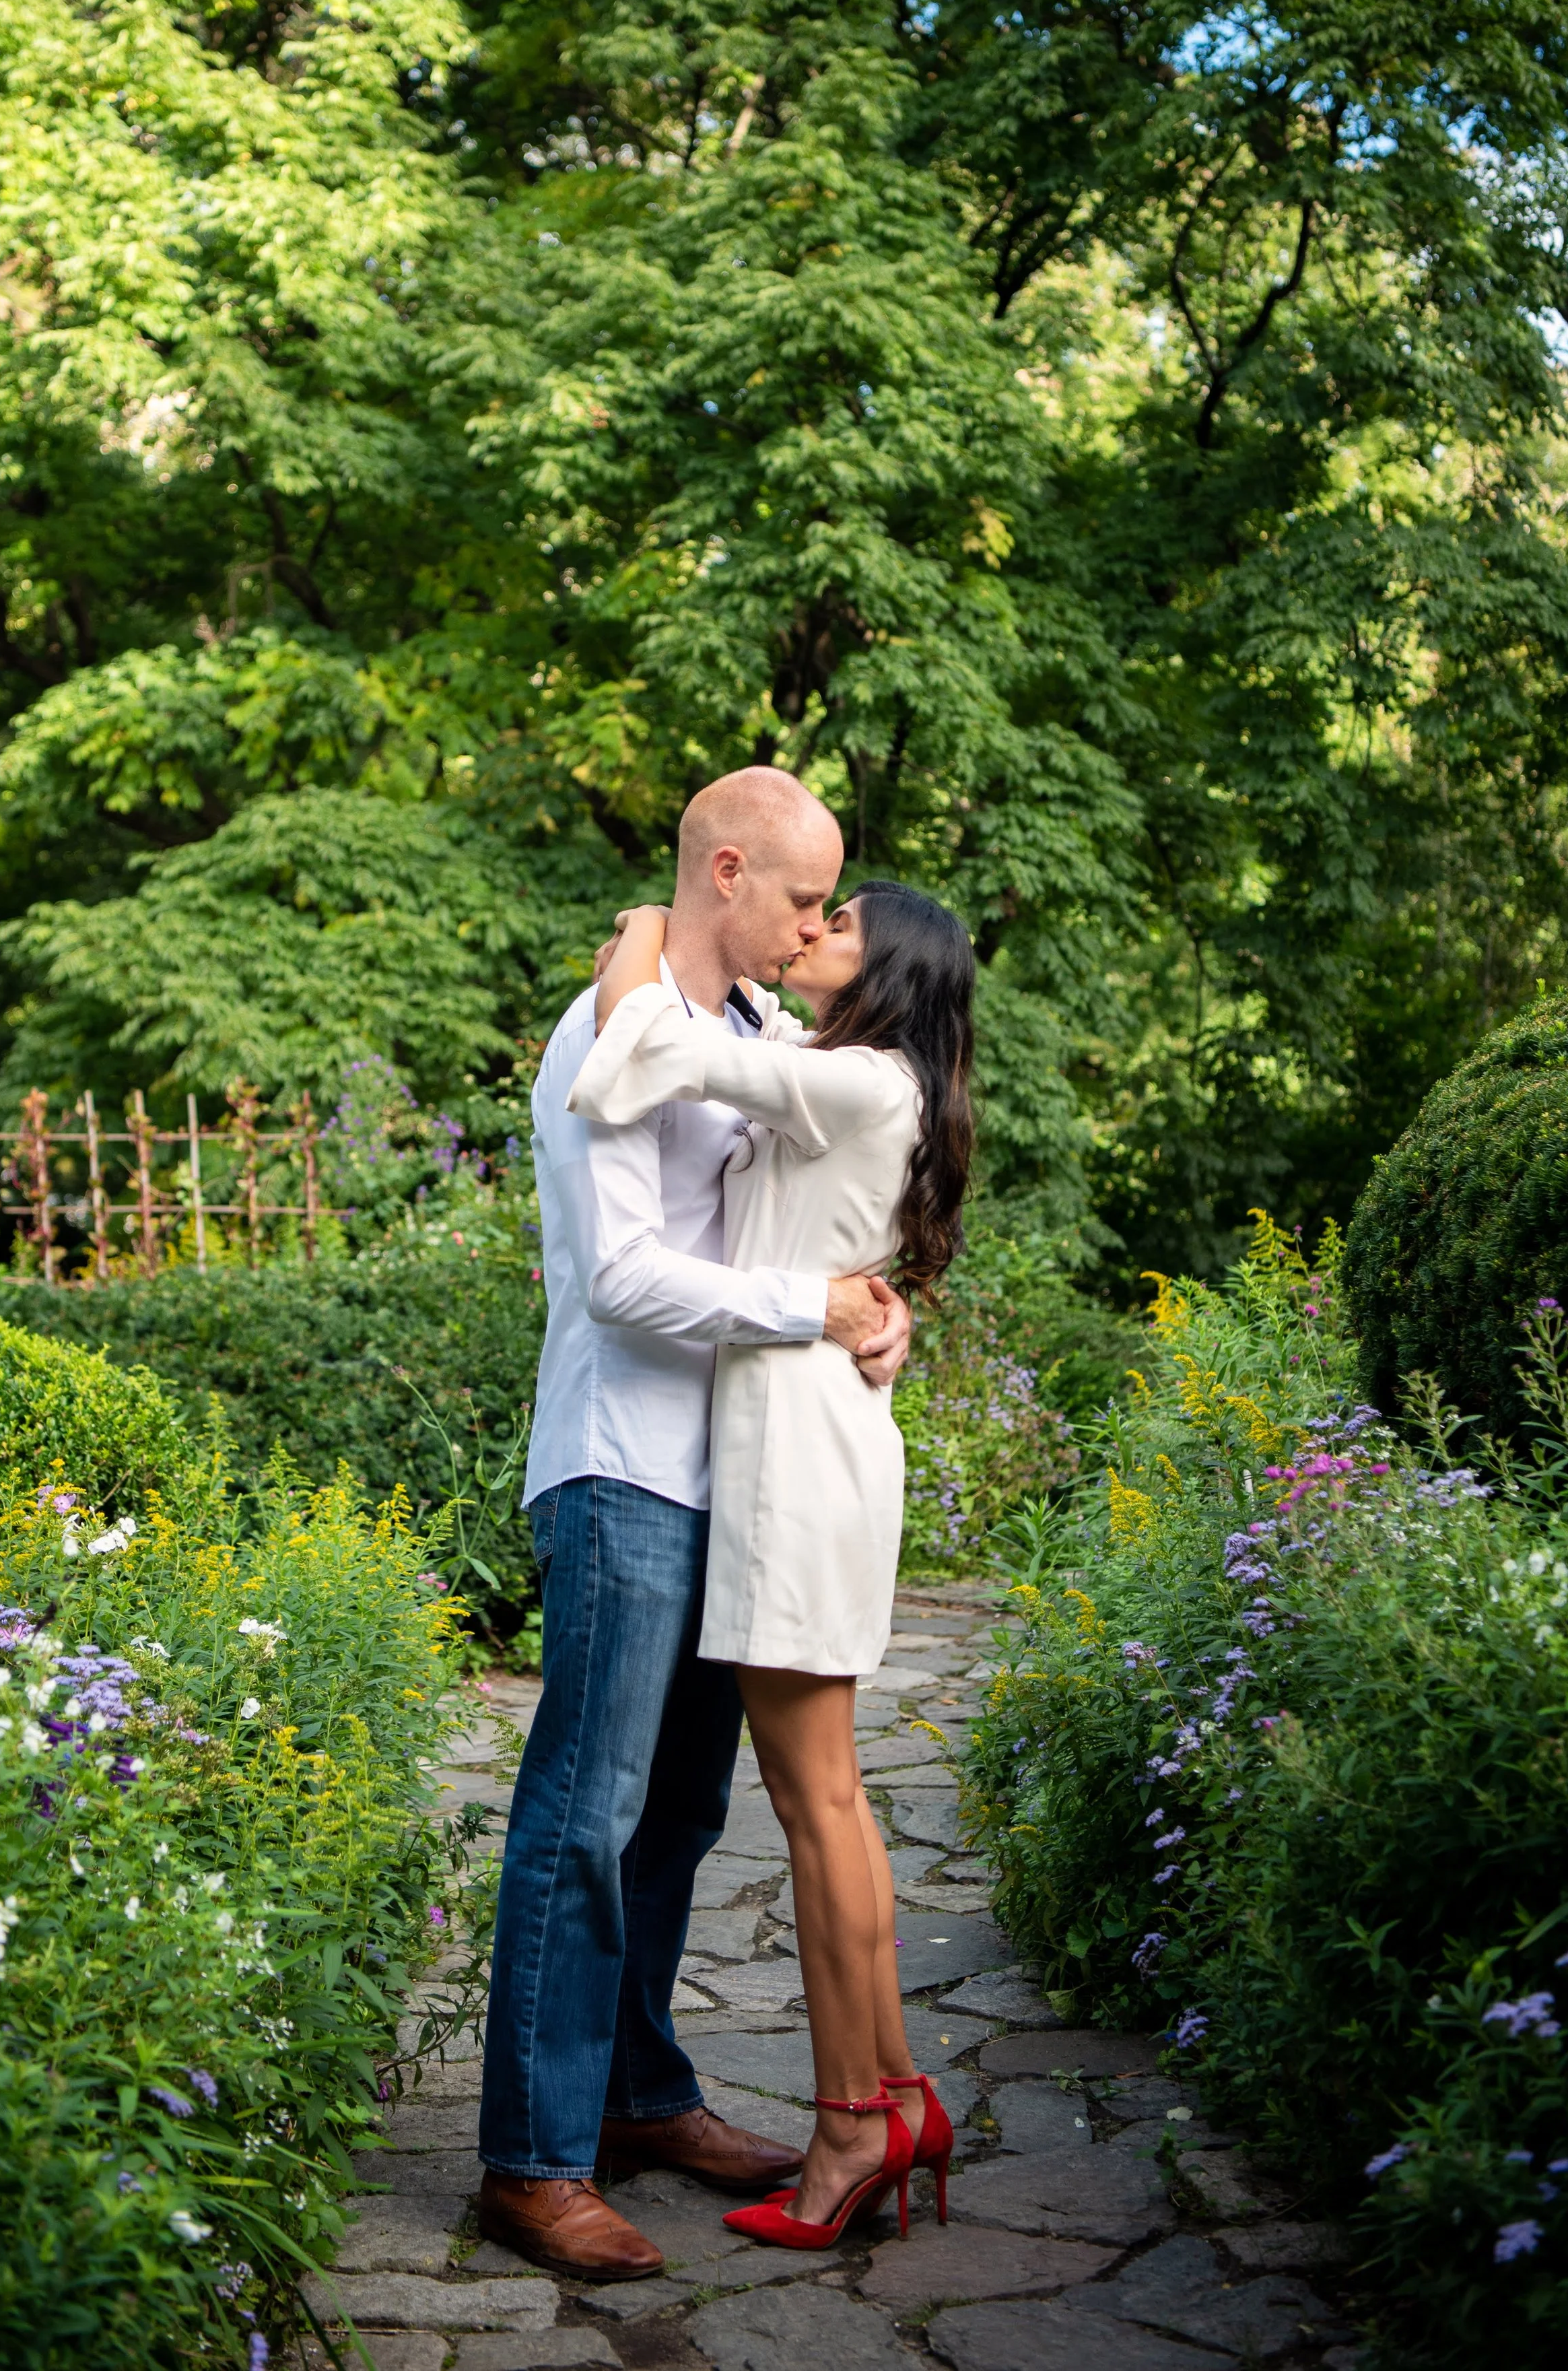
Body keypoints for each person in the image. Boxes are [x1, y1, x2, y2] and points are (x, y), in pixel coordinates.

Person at [475, 768, 914, 2280]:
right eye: (803, 898)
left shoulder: (757, 1030)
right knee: (584, 1821)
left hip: (733, 1480)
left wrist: (876, 1316)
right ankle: (532, 2162)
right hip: (623, 1470)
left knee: (677, 1819)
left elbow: (819, 1207)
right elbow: (621, 1279)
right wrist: (810, 1308)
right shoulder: (609, 1029)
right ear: (727, 872)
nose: (812, 926)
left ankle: (640, 2097)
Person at [570, 877, 976, 2248]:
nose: (811, 931)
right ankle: (896, 2095)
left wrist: (643, 925)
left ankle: (851, 2126)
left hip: (796, 1450)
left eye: (839, 923)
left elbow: (645, 1046)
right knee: (834, 1803)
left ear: (889, 970)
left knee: (816, 1809)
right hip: (816, 1431)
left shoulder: (853, 1078)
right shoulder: (857, 1074)